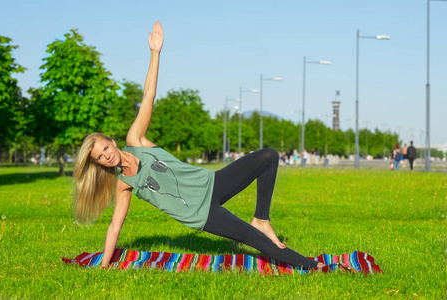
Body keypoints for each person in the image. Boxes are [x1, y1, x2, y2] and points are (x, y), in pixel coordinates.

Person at [73, 21, 323, 271]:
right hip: (201, 214)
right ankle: (313, 267)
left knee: (268, 156)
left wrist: (155, 53)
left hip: (211, 183)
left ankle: (261, 218)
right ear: (99, 163)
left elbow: (148, 96)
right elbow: (114, 227)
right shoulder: (125, 184)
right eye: (100, 157)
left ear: (112, 142)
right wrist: (104, 266)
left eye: (105, 148)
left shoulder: (136, 141)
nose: (106, 156)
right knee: (255, 241)